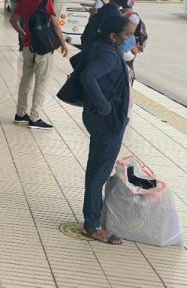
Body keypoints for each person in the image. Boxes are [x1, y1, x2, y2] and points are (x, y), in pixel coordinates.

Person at [79, 15, 136, 245]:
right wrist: (104, 107)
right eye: (128, 35)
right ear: (113, 36)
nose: (131, 39)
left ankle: (92, 215)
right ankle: (92, 225)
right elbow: (88, 76)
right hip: (107, 122)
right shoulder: (107, 54)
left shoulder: (104, 47)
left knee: (97, 169)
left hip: (108, 119)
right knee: (99, 173)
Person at [9, 0, 68, 129]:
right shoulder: (45, 1)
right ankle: (34, 118)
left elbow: (13, 20)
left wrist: (23, 34)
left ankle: (20, 114)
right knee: (41, 83)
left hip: (28, 47)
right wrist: (63, 43)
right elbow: (55, 24)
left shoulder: (25, 0)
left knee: (25, 80)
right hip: (43, 49)